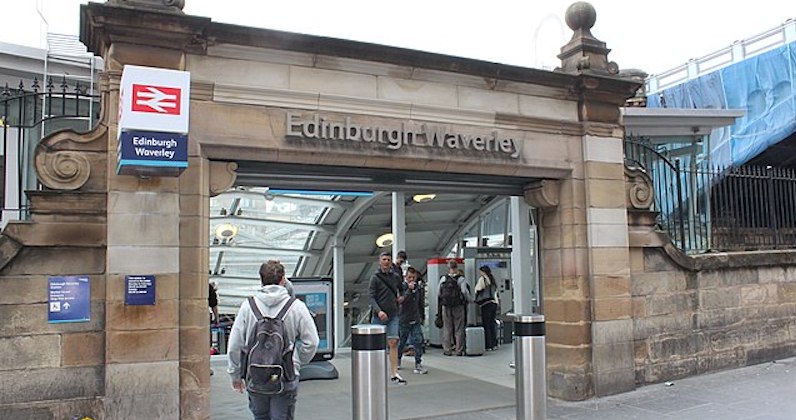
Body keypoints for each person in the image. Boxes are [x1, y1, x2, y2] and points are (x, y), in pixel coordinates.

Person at [227, 260, 319, 420]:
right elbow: (312, 342)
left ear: (261, 280)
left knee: (260, 416)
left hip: (255, 375)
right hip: (285, 376)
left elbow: (235, 345)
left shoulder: (248, 306)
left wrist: (235, 375)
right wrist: (296, 361)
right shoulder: (296, 306)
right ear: (283, 279)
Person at [369, 251, 407, 385]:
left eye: (388, 259)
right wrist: (379, 311)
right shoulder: (375, 278)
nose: (386, 262)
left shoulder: (395, 277)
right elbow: (372, 297)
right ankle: (375, 371)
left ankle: (394, 371)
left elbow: (402, 289)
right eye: (384, 259)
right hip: (379, 315)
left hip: (393, 314)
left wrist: (401, 297)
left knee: (393, 342)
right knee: (376, 345)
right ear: (380, 261)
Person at [397, 266, 428, 374]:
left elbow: (420, 302)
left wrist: (421, 316)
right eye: (409, 277)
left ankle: (418, 363)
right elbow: (402, 301)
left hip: (415, 318)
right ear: (405, 277)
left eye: (413, 277)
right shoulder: (402, 287)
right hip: (404, 318)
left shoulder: (418, 288)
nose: (411, 279)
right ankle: (397, 359)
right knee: (402, 341)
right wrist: (409, 290)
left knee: (418, 340)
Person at [438, 260, 470, 356]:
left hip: (446, 305)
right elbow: (464, 291)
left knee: (447, 328)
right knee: (459, 328)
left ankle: (447, 350)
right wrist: (469, 300)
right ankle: (459, 350)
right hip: (458, 306)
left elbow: (438, 292)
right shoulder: (461, 279)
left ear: (449, 268)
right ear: (457, 267)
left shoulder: (444, 278)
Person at [475, 265, 499, 351]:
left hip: (486, 304)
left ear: (483, 272)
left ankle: (488, 345)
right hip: (494, 303)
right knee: (492, 323)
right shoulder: (493, 280)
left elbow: (477, 289)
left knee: (486, 324)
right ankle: (494, 344)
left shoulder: (483, 279)